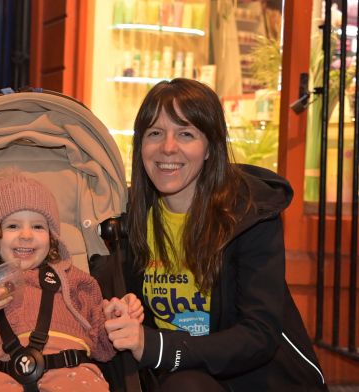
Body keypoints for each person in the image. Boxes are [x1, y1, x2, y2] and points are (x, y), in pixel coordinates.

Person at [101, 78, 327, 391]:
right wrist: (120, 309)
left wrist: (159, 346)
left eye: (186, 134)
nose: (168, 147)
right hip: (180, 377)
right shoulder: (130, 221)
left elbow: (259, 334)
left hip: (255, 380)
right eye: (155, 133)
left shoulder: (248, 215)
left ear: (210, 148)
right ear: (141, 146)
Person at [0, 174, 143, 391]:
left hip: (72, 371)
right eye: (12, 226)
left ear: (52, 236)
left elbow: (103, 348)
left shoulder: (75, 279)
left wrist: (113, 319)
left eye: (38, 227)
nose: (26, 235)